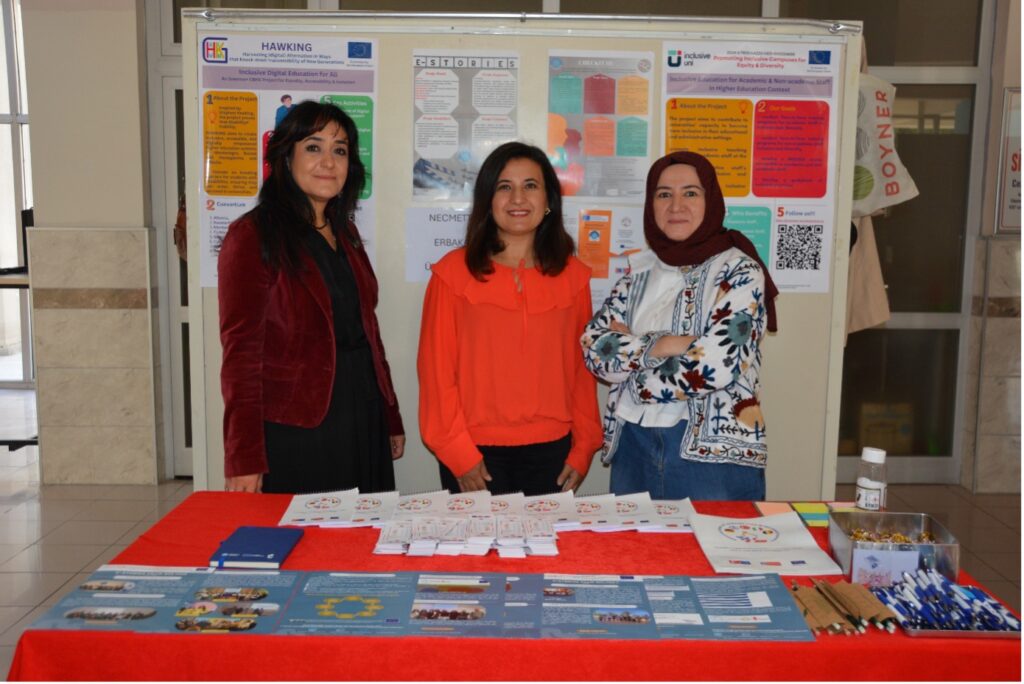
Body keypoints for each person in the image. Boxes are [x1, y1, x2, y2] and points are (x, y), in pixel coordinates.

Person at [219, 101, 404, 494]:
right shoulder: (252, 236)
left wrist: (390, 415)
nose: (328, 161)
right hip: (299, 430)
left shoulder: (346, 233)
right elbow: (241, 358)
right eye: (313, 147)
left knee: (362, 543)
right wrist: (245, 456)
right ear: (286, 156)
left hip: (363, 413)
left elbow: (368, 330)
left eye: (339, 150)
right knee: (310, 547)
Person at [580, 151, 779, 501]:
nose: (676, 205)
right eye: (663, 194)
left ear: (710, 200)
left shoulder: (739, 271)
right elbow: (595, 349)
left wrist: (634, 377)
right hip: (634, 445)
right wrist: (664, 345)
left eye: (690, 192)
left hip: (714, 459)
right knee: (636, 554)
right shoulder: (639, 273)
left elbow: (716, 365)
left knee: (711, 554)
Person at [417, 141, 603, 496]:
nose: (518, 198)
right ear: (489, 200)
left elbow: (581, 370)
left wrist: (583, 447)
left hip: (554, 453)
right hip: (475, 455)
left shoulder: (574, 276)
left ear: (549, 200)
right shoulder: (451, 273)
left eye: (530, 186)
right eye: (505, 187)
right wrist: (457, 453)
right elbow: (436, 373)